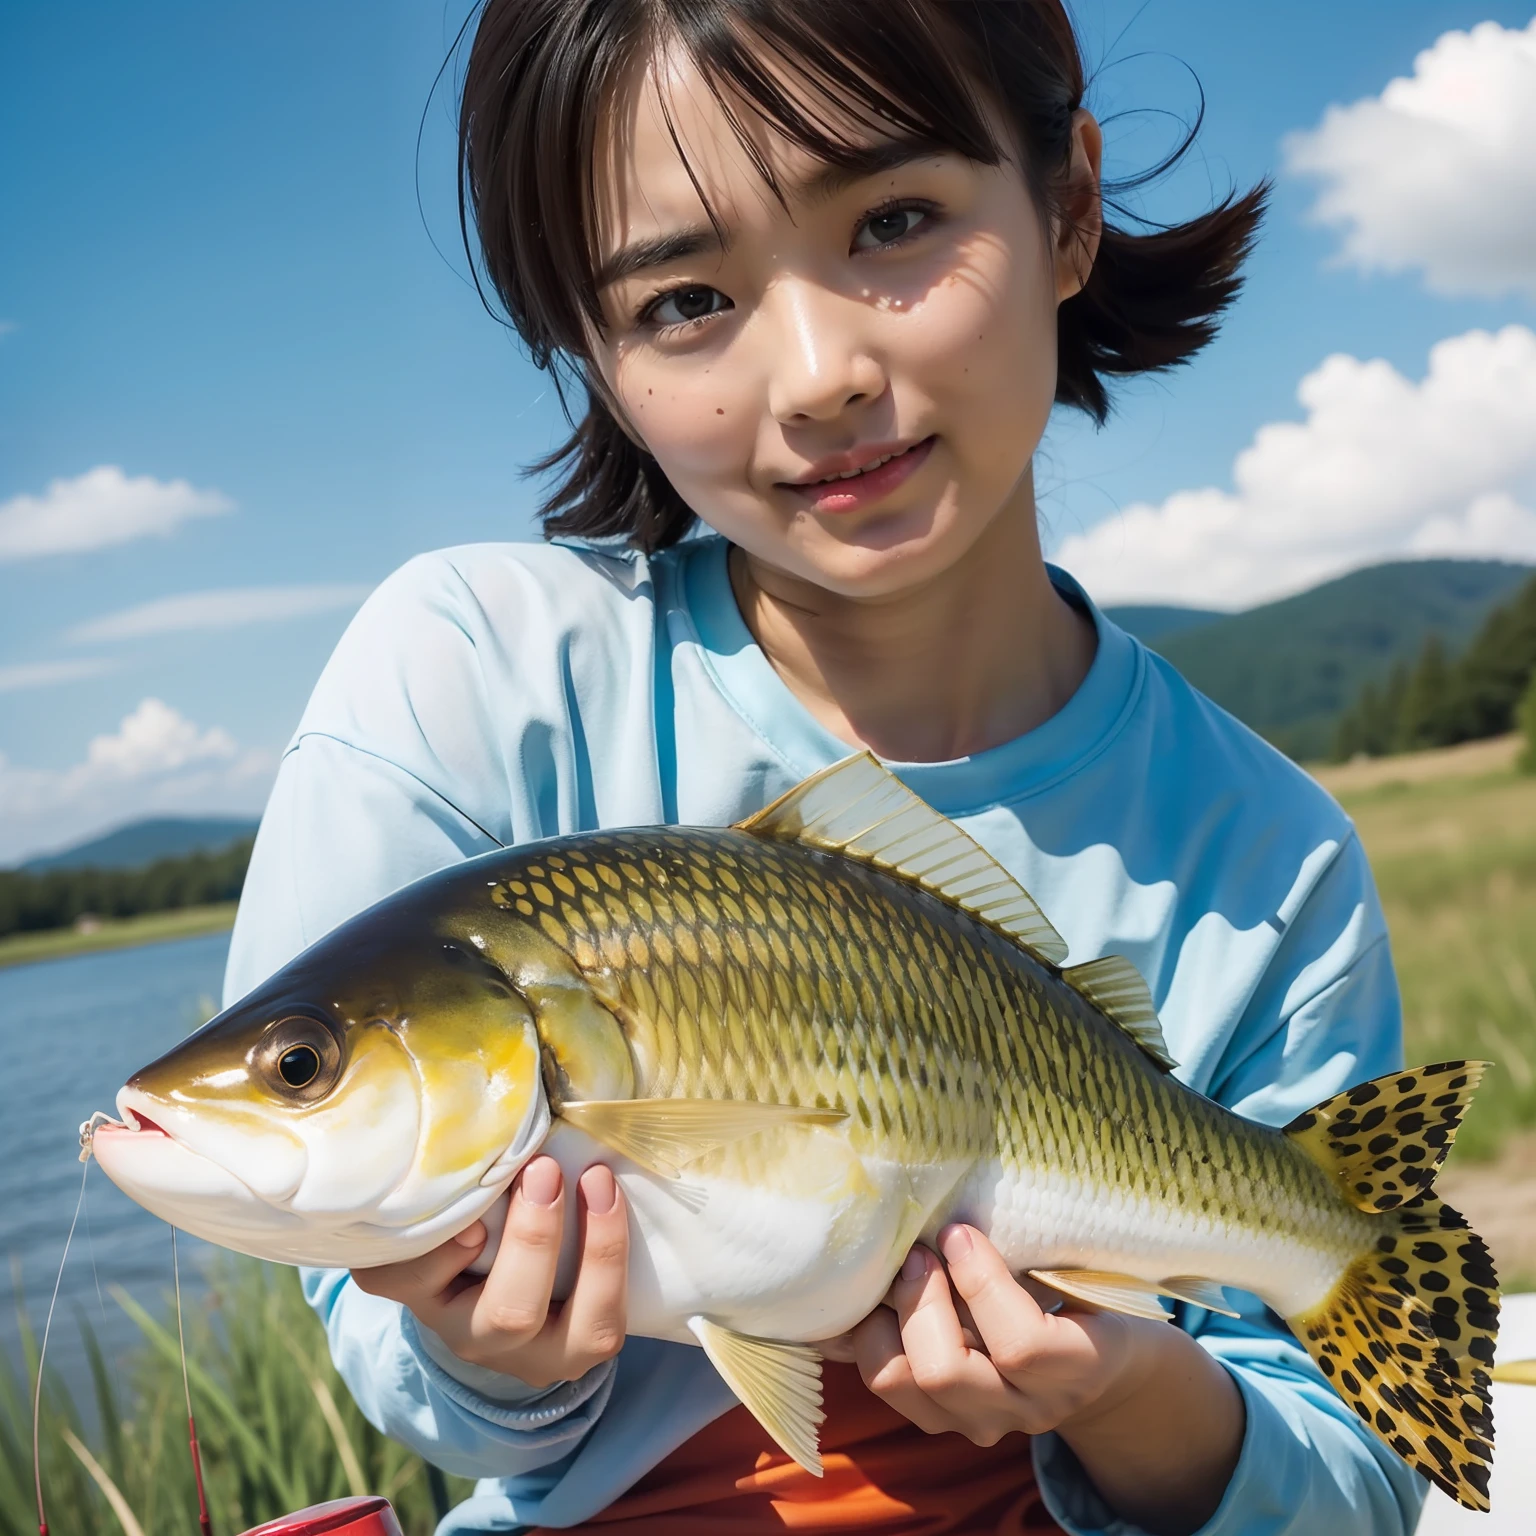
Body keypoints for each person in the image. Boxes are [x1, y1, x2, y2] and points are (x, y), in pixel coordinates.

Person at [223, 2, 1426, 1532]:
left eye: (895, 220)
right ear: (591, 355)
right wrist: (486, 1347)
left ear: (1067, 211)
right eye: (683, 300)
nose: (816, 374)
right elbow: (388, 1341)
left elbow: (1353, 1493)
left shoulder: (1271, 856)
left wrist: (1125, 1385)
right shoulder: (468, 676)